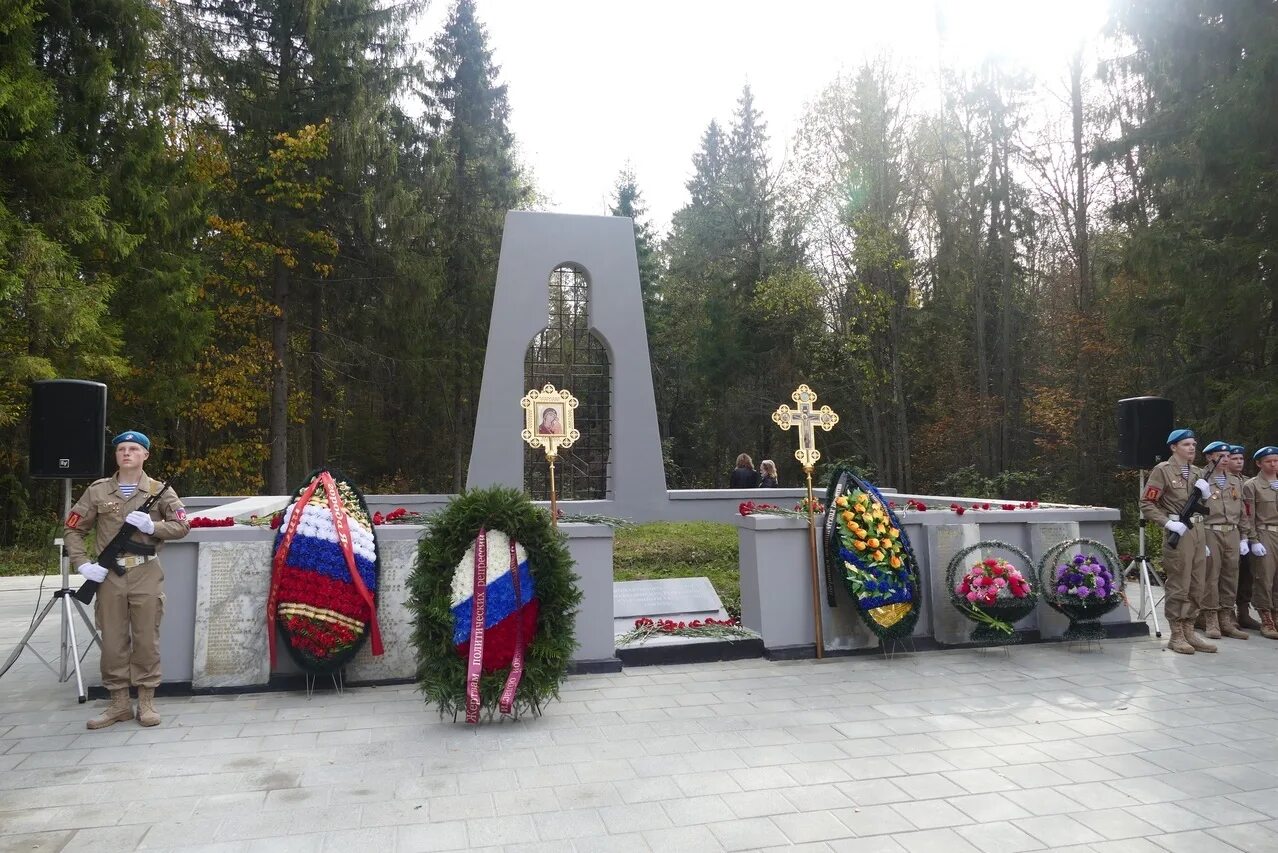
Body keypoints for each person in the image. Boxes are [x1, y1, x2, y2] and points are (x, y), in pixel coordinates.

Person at [65, 431, 190, 728]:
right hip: (109, 576)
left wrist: (153, 525)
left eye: (134, 448)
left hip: (146, 572)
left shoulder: (159, 491)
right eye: (121, 448)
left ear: (145, 454)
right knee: (112, 641)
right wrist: (83, 565)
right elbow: (73, 528)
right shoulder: (97, 491)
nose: (126, 453)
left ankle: (145, 702)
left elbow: (183, 525)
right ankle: (119, 704)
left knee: (147, 639)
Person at [1140, 428, 1215, 654]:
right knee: (1179, 583)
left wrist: (1205, 494)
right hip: (1179, 531)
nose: (1191, 448)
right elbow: (1147, 503)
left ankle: (1190, 629)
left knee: (1197, 583)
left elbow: (1208, 508)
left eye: (1193, 444)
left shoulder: (1198, 472)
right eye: (1186, 444)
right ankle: (1177, 634)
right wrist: (1167, 523)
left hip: (1198, 531)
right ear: (1173, 447)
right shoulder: (1162, 470)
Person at [1197, 441, 1247, 640]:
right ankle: (1210, 617)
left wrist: (1244, 537)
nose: (1225, 459)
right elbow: (1195, 510)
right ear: (1210, 457)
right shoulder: (1201, 479)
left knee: (1230, 574)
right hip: (1211, 530)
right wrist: (1201, 539)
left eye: (1228, 456)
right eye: (1221, 456)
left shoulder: (1235, 481)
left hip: (1232, 532)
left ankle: (1226, 618)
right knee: (1211, 575)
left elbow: (1242, 512)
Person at [1242, 446, 1278, 640]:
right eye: (1269, 461)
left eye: (1276, 460)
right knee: (1264, 577)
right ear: (1259, 463)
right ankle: (1266, 618)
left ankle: (1276, 615)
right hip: (1265, 533)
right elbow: (1249, 515)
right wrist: (1253, 540)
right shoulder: (1252, 485)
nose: (1273, 464)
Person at [1231, 445, 1262, 629]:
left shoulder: (1247, 482)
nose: (1239, 462)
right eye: (1235, 458)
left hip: (1248, 533)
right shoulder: (1220, 480)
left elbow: (1250, 513)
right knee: (1227, 574)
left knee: (1247, 574)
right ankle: (1224, 613)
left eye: (1241, 459)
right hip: (1228, 532)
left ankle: (1243, 612)